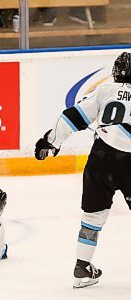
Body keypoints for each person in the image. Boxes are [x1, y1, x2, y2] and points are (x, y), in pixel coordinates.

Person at [34, 52, 131, 288]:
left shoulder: (104, 90)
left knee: (92, 217)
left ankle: (82, 268)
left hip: (100, 158)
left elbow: (71, 117)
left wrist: (51, 141)